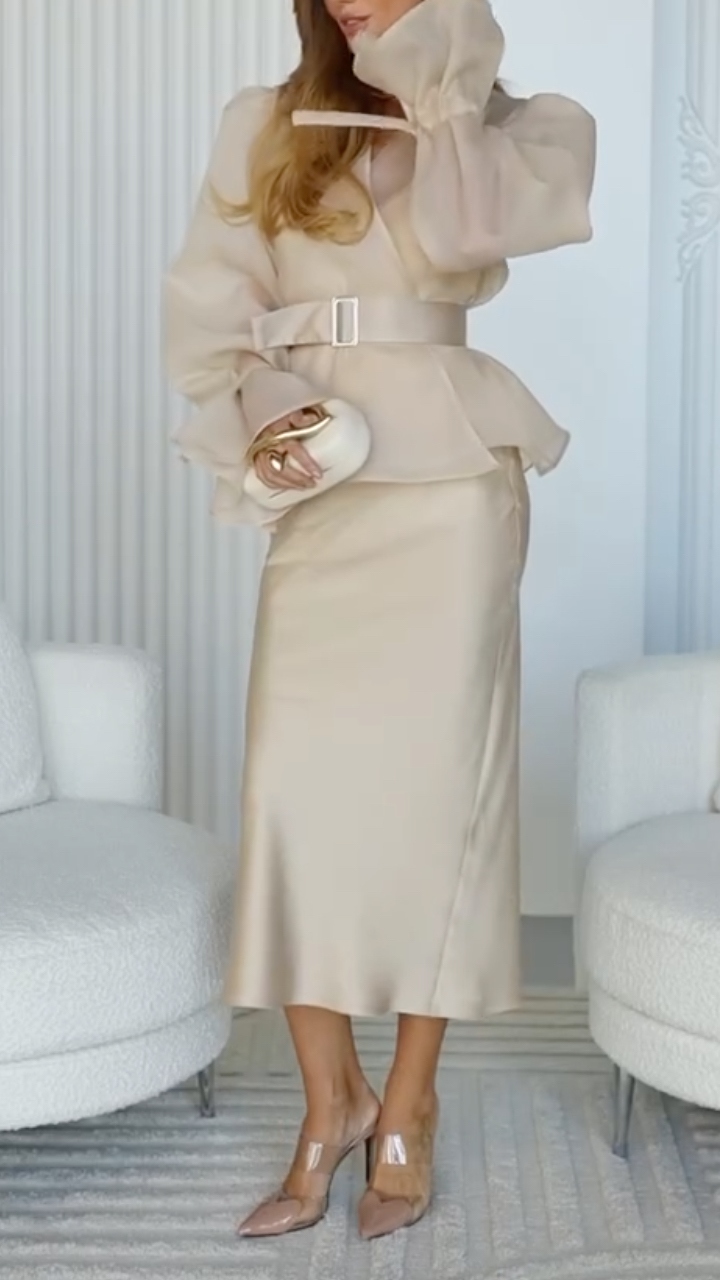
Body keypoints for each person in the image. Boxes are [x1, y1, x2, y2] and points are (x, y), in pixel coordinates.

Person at [165, 0, 596, 1243]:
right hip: (325, 473)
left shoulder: (526, 130)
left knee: (436, 806)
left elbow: (464, 233)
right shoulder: (266, 123)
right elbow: (210, 321)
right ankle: (331, 1098)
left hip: (451, 492)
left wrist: (437, 77)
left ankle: (408, 1104)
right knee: (291, 796)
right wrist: (269, 402)